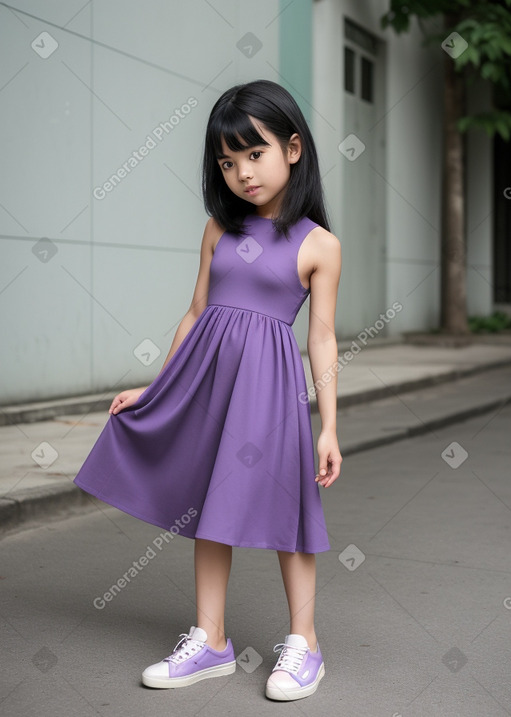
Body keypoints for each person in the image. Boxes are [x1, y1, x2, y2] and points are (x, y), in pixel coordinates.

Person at [73, 79, 342, 702]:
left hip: (271, 394)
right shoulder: (219, 231)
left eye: (255, 153)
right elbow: (195, 312)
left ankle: (305, 643)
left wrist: (328, 425)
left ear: (293, 150)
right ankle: (211, 639)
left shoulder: (318, 244)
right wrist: (156, 387)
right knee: (208, 506)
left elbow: (322, 340)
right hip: (209, 384)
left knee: (290, 515)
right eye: (227, 161)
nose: (242, 172)